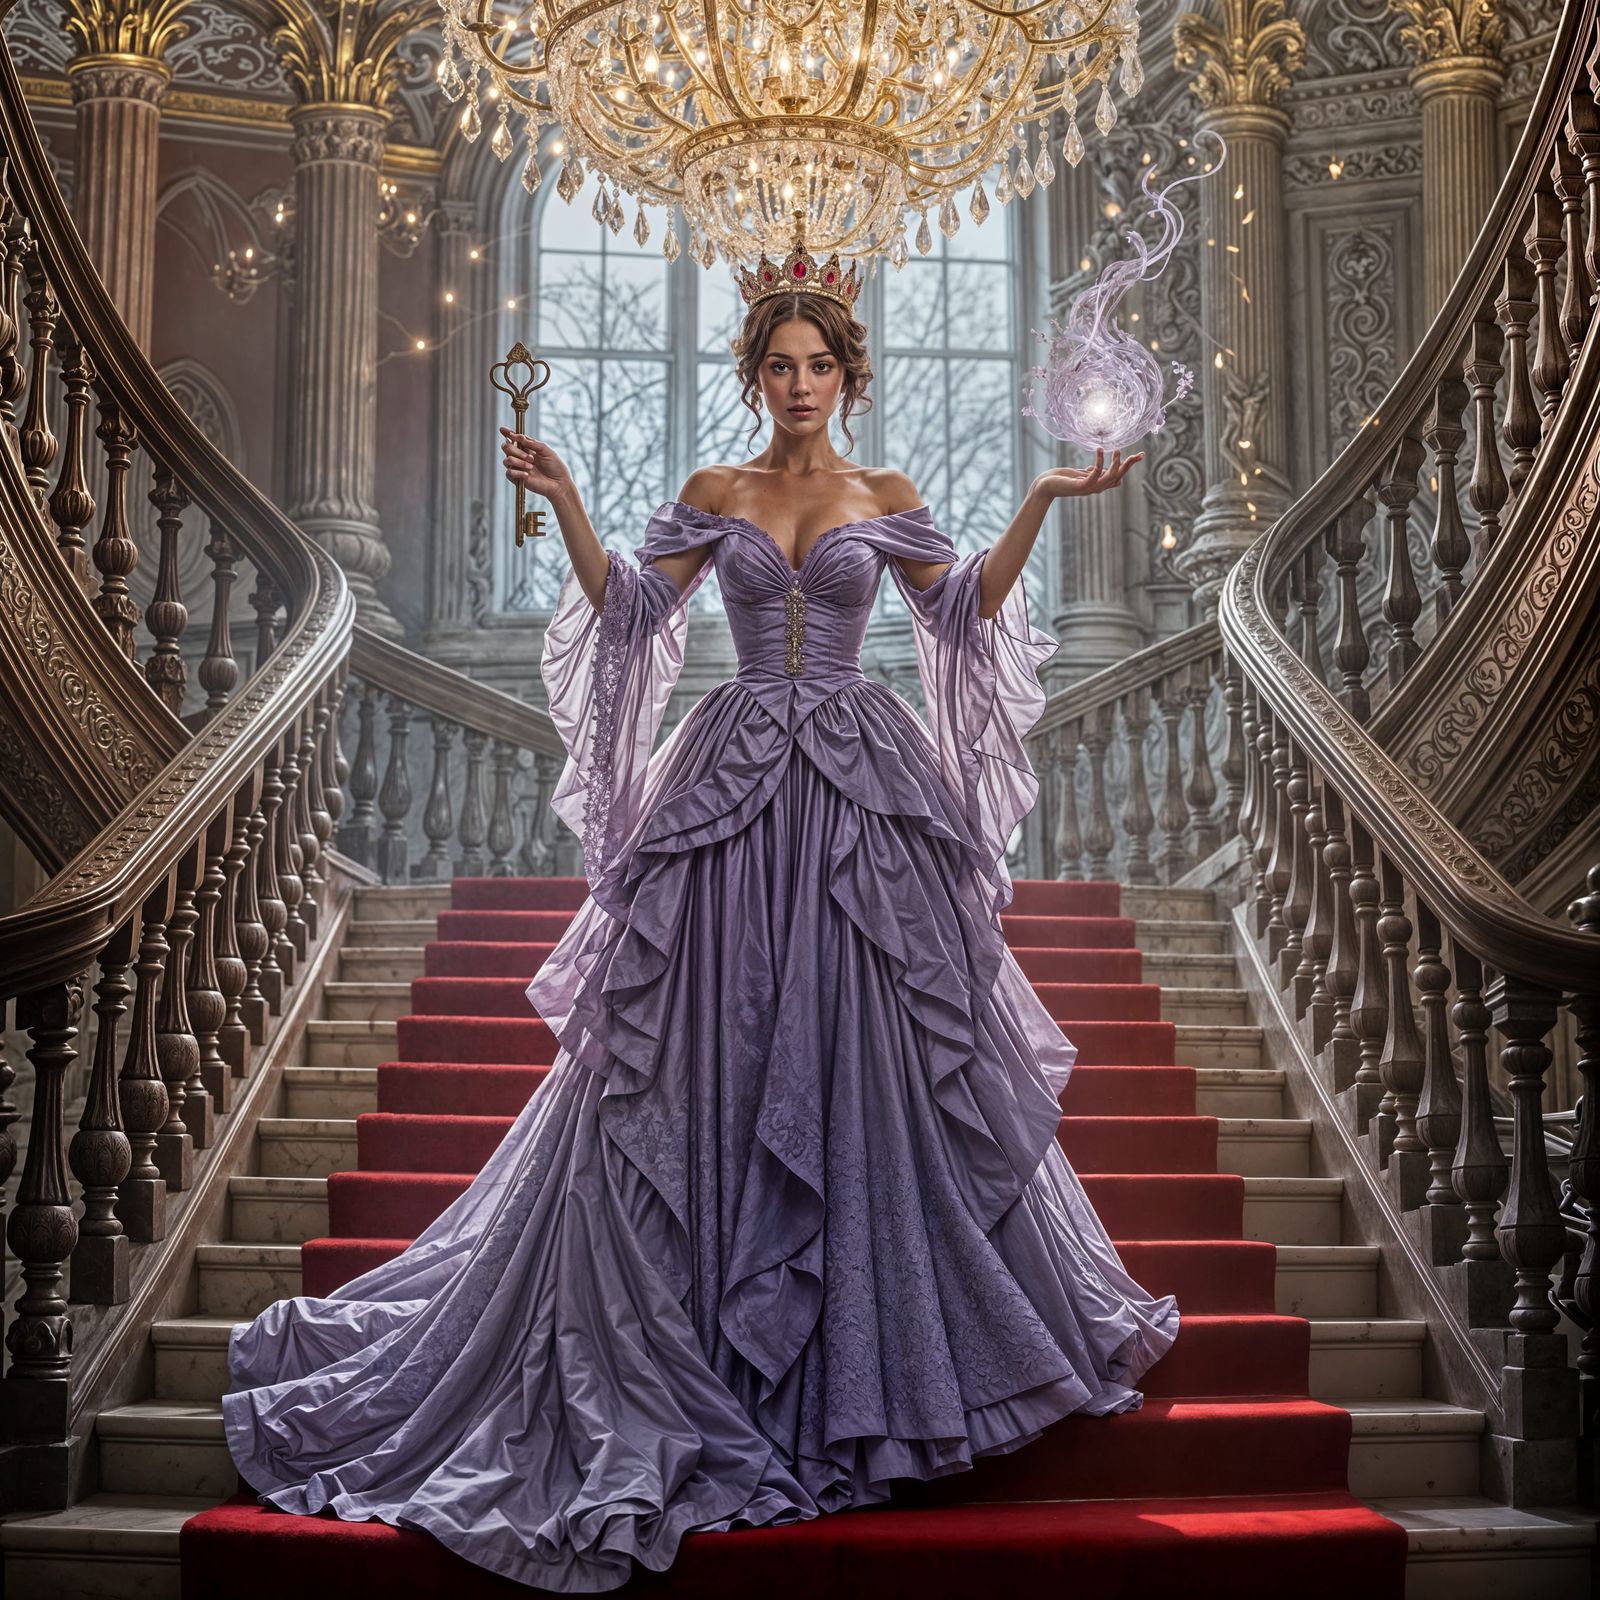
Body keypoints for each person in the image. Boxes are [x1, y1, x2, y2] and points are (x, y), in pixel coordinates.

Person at [221, 237, 1178, 1594]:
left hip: (857, 784)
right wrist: (565, 506)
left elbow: (963, 610)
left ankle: (872, 1371)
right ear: (757, 376)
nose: (799, 384)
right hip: (728, 788)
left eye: (819, 366)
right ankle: (709, 1348)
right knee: (694, 1063)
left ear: (850, 374)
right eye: (779, 367)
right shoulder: (712, 489)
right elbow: (630, 620)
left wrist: (1044, 493)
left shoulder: (884, 489)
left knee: (870, 1057)